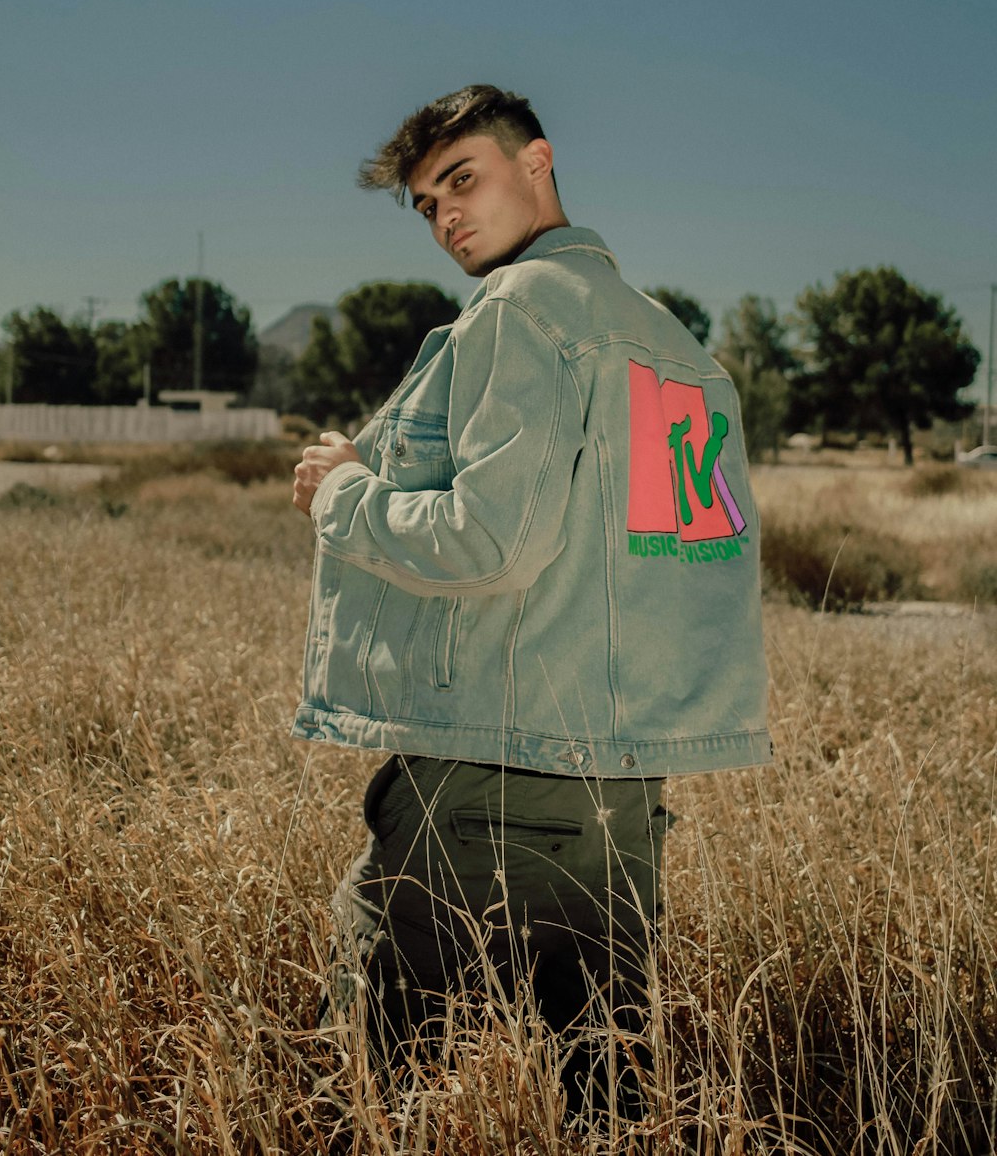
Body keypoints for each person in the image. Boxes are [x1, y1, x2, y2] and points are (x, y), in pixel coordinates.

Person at [291, 84, 771, 1113]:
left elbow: (489, 541)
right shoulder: (679, 350)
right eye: (425, 203)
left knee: (380, 1085)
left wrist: (341, 491)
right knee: (607, 1092)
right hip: (626, 791)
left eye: (461, 179)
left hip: (493, 769)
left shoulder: (521, 309)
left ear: (537, 161)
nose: (446, 215)